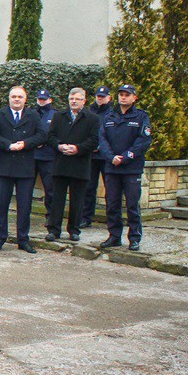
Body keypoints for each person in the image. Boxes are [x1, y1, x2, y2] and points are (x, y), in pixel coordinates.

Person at [0, 86, 47, 253]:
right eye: (13, 96)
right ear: (9, 98)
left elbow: (42, 135)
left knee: (24, 205)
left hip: (25, 167)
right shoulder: (0, 114)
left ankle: (23, 239)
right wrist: (7, 144)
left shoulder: (33, 115)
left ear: (25, 99)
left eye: (20, 97)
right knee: (1, 205)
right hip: (4, 167)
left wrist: (25, 144)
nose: (16, 99)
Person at [99, 84, 152, 251]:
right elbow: (102, 139)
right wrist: (111, 157)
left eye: (127, 95)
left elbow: (143, 141)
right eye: (121, 94)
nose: (123, 97)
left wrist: (126, 157)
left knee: (132, 205)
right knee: (112, 204)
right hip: (112, 167)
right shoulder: (109, 116)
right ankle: (114, 236)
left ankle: (134, 238)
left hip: (131, 168)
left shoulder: (141, 116)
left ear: (134, 98)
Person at [45, 87, 100, 243]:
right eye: (71, 99)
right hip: (60, 164)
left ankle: (74, 230)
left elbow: (94, 140)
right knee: (57, 199)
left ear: (84, 100)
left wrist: (78, 148)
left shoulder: (92, 118)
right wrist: (59, 146)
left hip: (80, 164)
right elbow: (50, 136)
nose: (74, 101)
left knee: (78, 200)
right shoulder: (58, 116)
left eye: (77, 99)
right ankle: (54, 230)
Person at [80, 86, 113, 227]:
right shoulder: (89, 112)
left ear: (109, 98)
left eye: (103, 96)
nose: (100, 98)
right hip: (91, 156)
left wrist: (102, 147)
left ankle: (111, 219)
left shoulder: (113, 113)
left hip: (106, 157)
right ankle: (86, 218)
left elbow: (111, 134)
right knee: (88, 188)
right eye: (98, 96)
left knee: (111, 190)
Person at [33, 89, 57, 219]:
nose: (42, 101)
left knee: (50, 189)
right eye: (40, 99)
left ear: (50, 99)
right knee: (26, 188)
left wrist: (43, 141)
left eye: (44, 99)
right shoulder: (31, 114)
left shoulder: (55, 115)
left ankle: (50, 217)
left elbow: (56, 134)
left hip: (48, 157)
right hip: (32, 155)